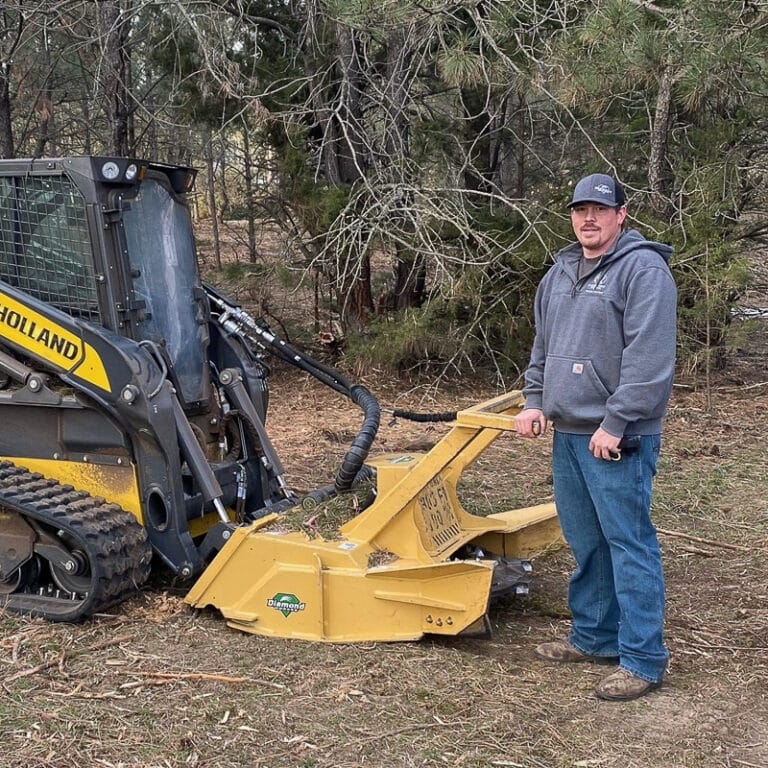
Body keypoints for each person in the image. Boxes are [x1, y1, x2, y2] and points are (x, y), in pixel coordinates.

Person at [514, 172, 677, 702]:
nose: (589, 219)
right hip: (568, 433)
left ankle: (643, 659)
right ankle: (594, 638)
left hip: (617, 436)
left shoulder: (643, 270)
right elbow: (544, 343)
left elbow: (649, 360)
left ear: (621, 215)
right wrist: (534, 401)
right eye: (580, 210)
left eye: (600, 210)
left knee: (628, 543)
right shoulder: (559, 273)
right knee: (588, 543)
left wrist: (617, 421)